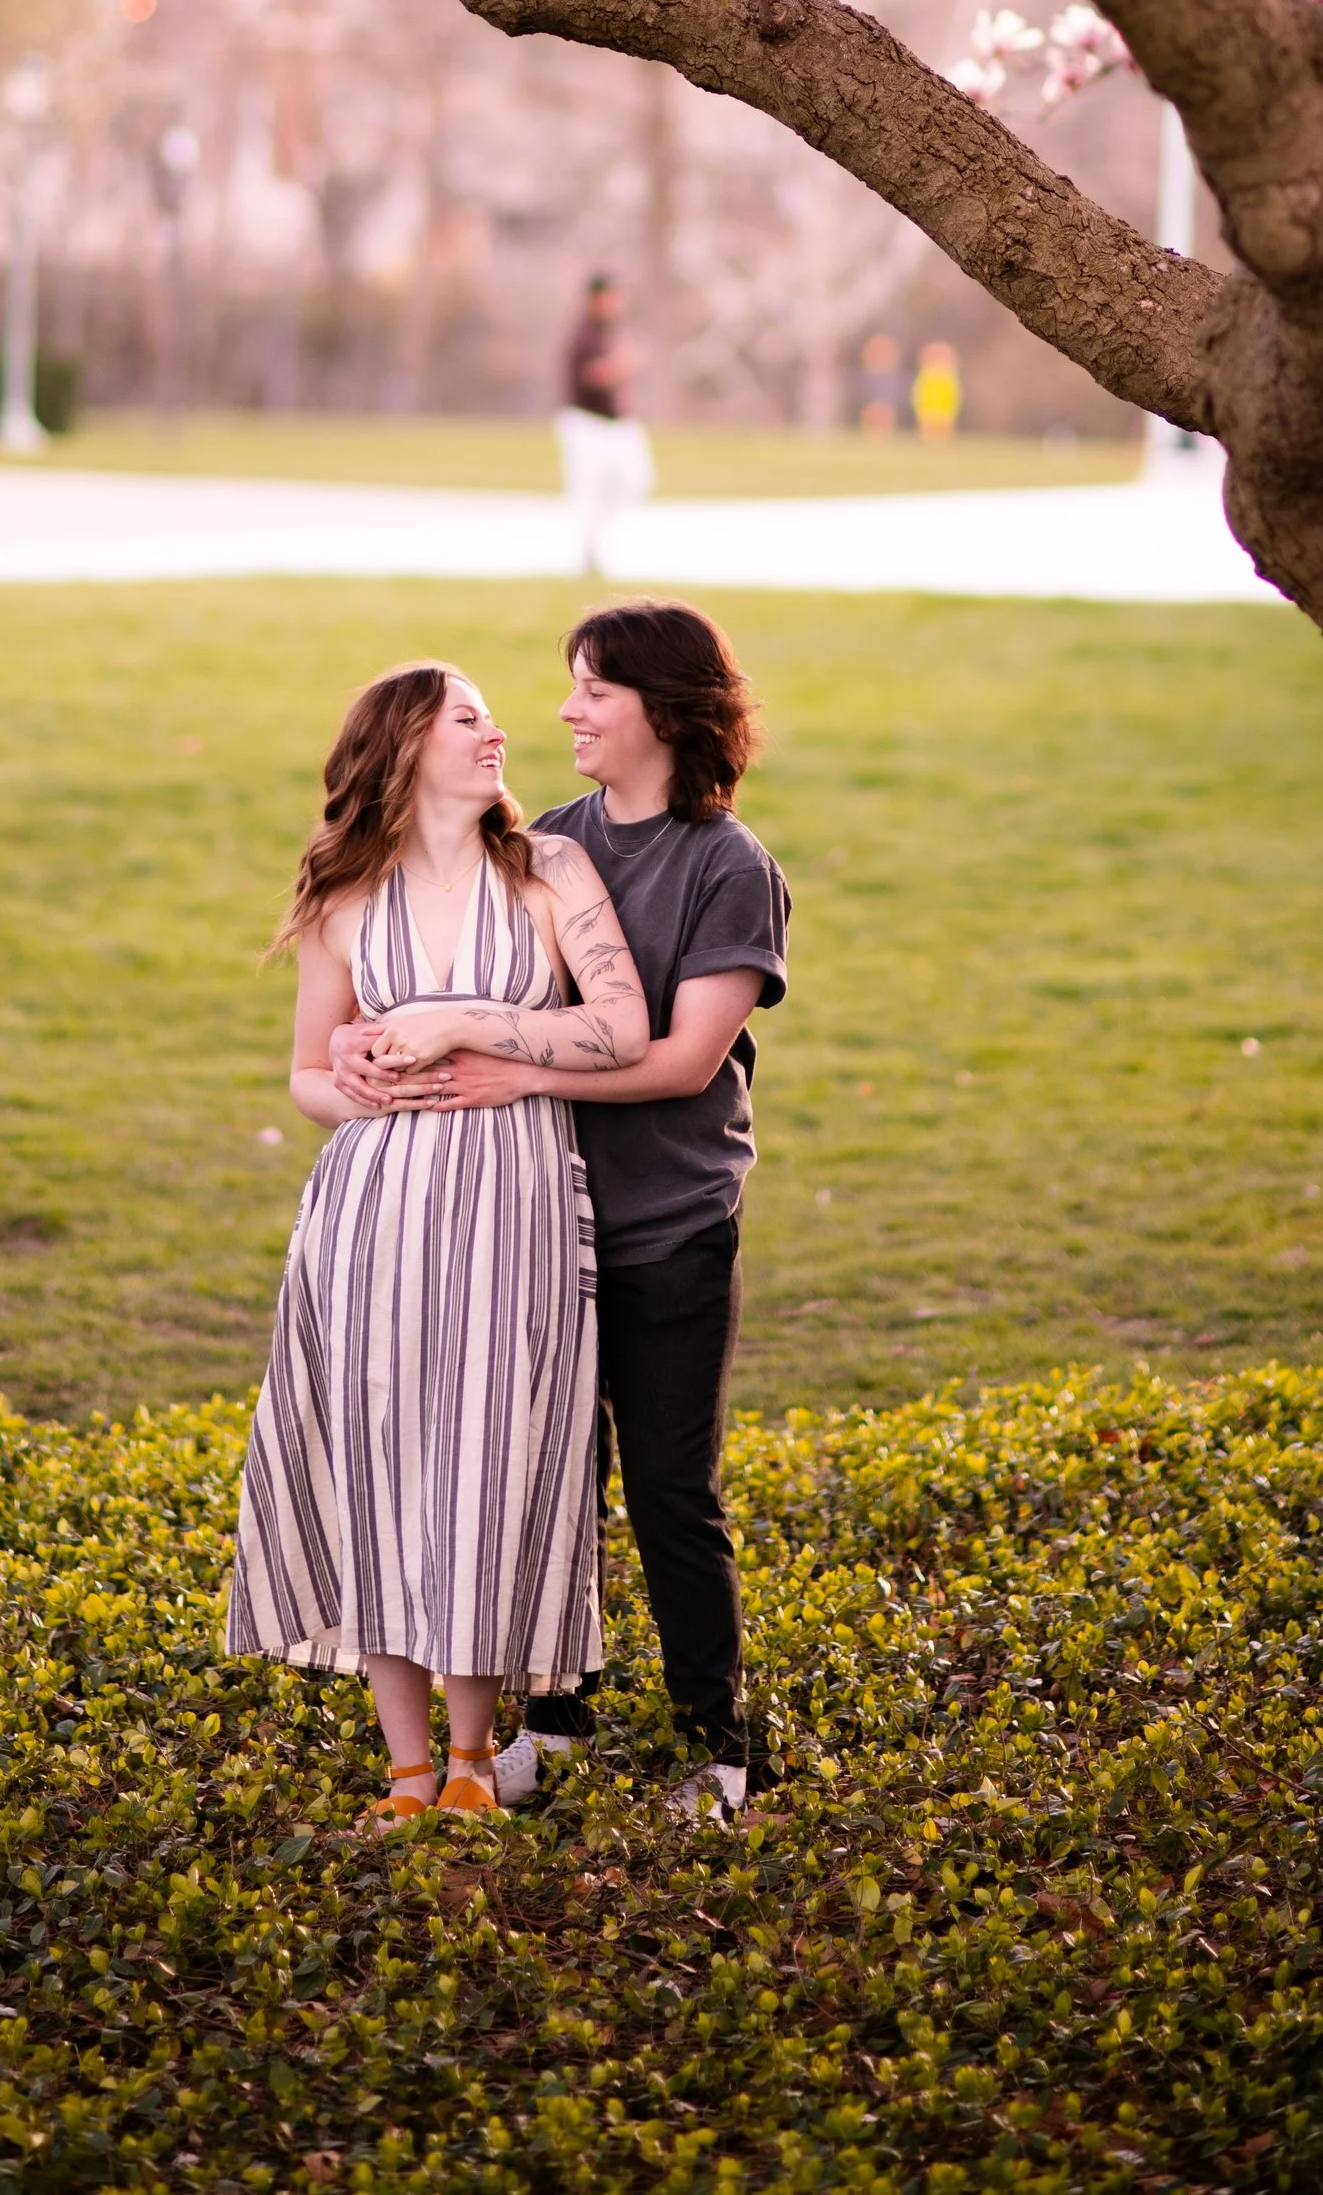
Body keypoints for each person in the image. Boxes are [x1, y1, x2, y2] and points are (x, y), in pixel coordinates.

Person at [336, 601, 788, 1822]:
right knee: (543, 1480)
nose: (567, 711)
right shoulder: (552, 844)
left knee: (668, 1487)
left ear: (665, 710)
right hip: (532, 1222)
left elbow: (686, 1059)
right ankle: (557, 1722)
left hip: (668, 1225)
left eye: (592, 690)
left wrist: (514, 1070)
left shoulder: (726, 867)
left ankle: (719, 1744)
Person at [225, 663, 649, 1825]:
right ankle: (409, 1769)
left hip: (514, 1205)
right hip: (373, 1217)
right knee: (380, 1464)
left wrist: (460, 1018)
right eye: (469, 718)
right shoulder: (342, 894)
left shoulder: (548, 871)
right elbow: (309, 1075)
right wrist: (355, 1082)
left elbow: (621, 1028)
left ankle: (475, 1757)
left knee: (487, 1464)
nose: (499, 731)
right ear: (407, 745)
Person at [555, 270, 656, 574]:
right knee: (586, 488)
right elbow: (593, 375)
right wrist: (623, 363)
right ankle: (586, 551)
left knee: (636, 480)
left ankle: (599, 536)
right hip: (587, 423)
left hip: (617, 424)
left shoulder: (614, 332)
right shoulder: (584, 335)